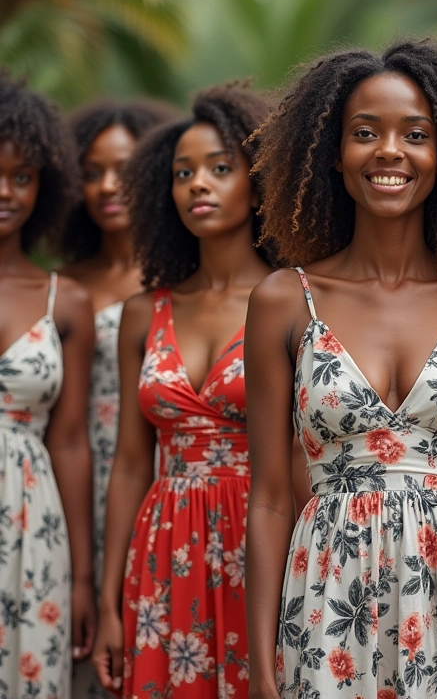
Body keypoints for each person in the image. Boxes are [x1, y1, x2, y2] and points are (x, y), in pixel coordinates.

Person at [245, 39, 437, 699]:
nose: (390, 151)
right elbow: (272, 497)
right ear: (332, 153)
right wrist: (259, 664)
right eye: (366, 133)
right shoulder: (283, 298)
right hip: (332, 602)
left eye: (415, 134)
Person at [91, 82, 273, 697]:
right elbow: (129, 465)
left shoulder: (296, 301)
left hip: (264, 537)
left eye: (221, 169)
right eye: (184, 172)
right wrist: (111, 596)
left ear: (259, 182)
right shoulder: (145, 312)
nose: (199, 183)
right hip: (164, 546)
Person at [60, 98, 177, 698]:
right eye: (91, 171)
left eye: (124, 170)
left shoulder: (179, 285)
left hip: (162, 473)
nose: (107, 186)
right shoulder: (64, 283)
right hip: (75, 480)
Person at [0, 72, 96, 697]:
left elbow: (69, 442)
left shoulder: (68, 300)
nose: (5, 191)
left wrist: (84, 577)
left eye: (23, 176)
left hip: (32, 526)